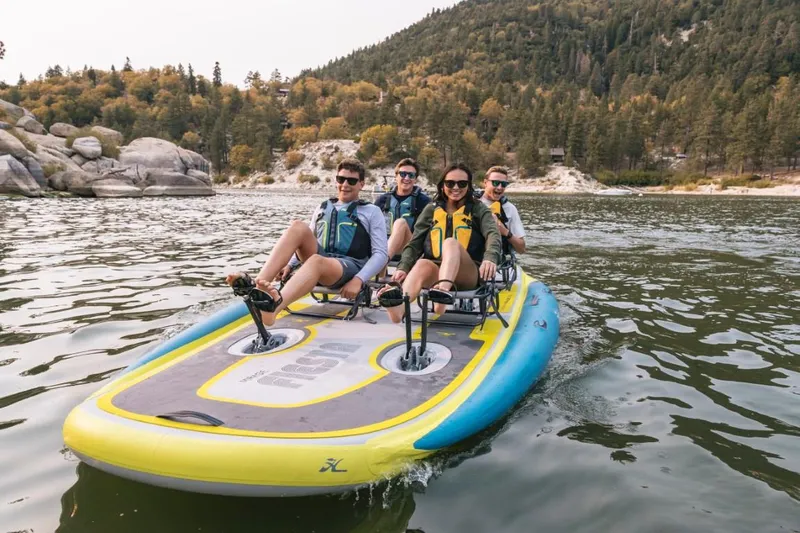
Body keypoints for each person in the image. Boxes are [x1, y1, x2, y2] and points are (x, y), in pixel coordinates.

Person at [225, 158, 388, 326]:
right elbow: (304, 240)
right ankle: (258, 286)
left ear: (361, 184)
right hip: (324, 260)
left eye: (351, 181)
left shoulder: (371, 211)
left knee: (316, 261)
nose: (345, 184)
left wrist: (359, 280)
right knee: (298, 227)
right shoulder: (323, 208)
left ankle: (273, 308)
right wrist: (289, 265)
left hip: (350, 266)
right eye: (341, 179)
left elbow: (381, 254)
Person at [377, 163, 502, 322]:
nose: (455, 188)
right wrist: (403, 267)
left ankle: (442, 292)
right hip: (436, 269)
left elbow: (492, 233)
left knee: (450, 243)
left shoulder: (478, 209)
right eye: (450, 183)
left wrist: (490, 257)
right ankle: (398, 309)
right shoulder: (431, 209)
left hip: (467, 273)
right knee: (422, 263)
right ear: (442, 185)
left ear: (468, 186)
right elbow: (415, 243)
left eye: (462, 184)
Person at [373, 158, 432, 260]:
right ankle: (381, 260)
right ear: (396, 176)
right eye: (403, 174)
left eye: (411, 175)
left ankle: (381, 261)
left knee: (400, 223)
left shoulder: (424, 202)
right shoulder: (382, 200)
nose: (407, 178)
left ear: (415, 179)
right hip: (384, 247)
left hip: (410, 249)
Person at [479, 166, 526, 256]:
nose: (500, 187)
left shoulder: (510, 208)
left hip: (498, 259)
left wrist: (505, 232)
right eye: (495, 183)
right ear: (485, 183)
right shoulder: (471, 202)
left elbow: (522, 249)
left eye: (504, 184)